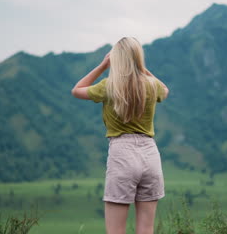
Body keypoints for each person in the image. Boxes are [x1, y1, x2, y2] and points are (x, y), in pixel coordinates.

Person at [71, 36, 169, 234]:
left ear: (116, 59)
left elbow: (76, 90)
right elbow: (165, 89)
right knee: (146, 229)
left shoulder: (109, 86)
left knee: (116, 230)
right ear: (137, 58)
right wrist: (141, 69)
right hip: (150, 154)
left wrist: (102, 65)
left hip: (122, 153)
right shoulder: (152, 85)